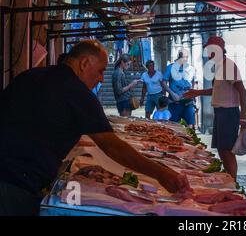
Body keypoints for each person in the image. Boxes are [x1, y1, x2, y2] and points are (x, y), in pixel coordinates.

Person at [0, 40, 191, 216]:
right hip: (16, 184)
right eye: (100, 71)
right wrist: (161, 174)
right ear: (84, 64)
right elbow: (113, 147)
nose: (101, 79)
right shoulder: (78, 92)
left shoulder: (29, 75)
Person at [184, 36, 246, 180]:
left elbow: (242, 91)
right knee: (221, 149)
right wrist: (197, 92)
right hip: (220, 113)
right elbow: (217, 90)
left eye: (210, 50)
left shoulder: (229, 66)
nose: (208, 53)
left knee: (227, 150)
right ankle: (229, 178)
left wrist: (243, 115)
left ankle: (232, 181)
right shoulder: (219, 67)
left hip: (229, 113)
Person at [162, 49, 198, 129]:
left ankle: (189, 140)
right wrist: (172, 93)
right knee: (174, 126)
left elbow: (194, 84)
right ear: (179, 57)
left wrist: (194, 97)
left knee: (190, 126)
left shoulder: (191, 69)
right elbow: (163, 82)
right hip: (175, 102)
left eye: (187, 57)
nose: (186, 59)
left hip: (188, 102)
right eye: (184, 57)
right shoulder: (171, 68)